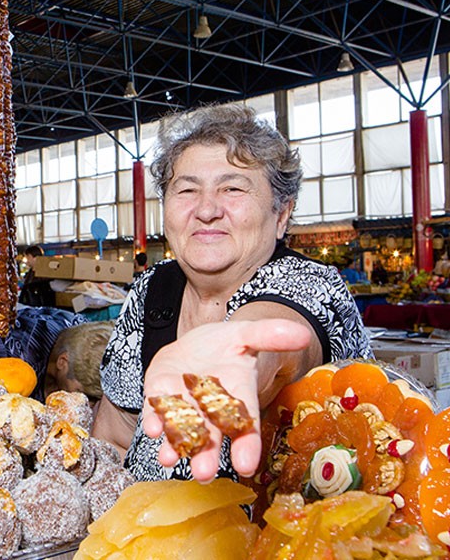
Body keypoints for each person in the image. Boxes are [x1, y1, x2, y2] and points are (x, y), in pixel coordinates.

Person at [91, 104, 372, 483]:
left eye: (233, 188)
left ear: (282, 214)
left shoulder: (310, 281)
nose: (206, 209)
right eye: (187, 189)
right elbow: (116, 433)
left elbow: (277, 336)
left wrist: (241, 352)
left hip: (276, 537)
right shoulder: (153, 287)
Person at [45, 321, 115, 402]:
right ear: (62, 362)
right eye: (83, 394)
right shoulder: (29, 356)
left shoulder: (88, 331)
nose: (88, 405)